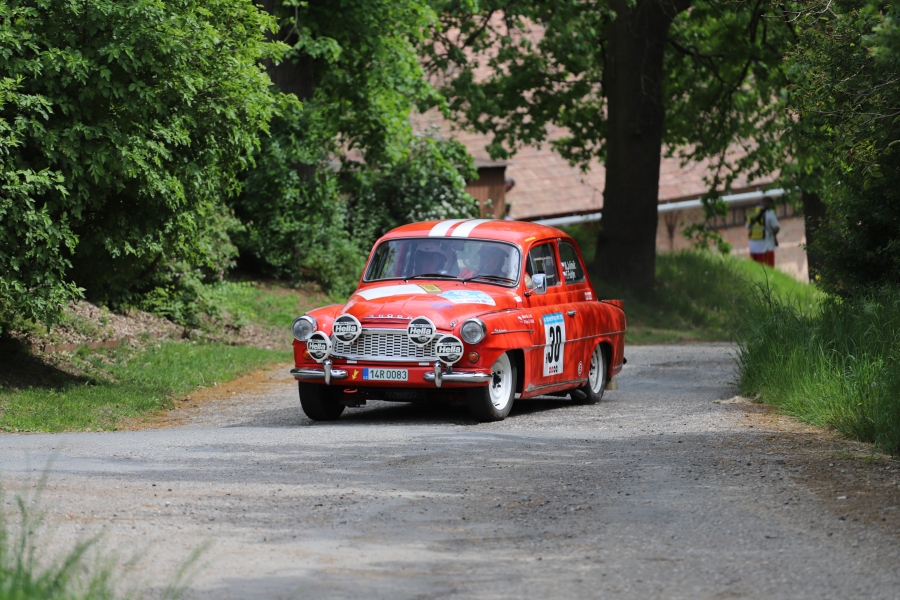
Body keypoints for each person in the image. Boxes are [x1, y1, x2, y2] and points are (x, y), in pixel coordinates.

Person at [746, 195, 780, 267]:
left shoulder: (751, 212)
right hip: (766, 246)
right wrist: (773, 232)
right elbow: (776, 228)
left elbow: (747, 227)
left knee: (756, 268)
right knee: (768, 268)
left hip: (753, 246)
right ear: (768, 203)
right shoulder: (769, 213)